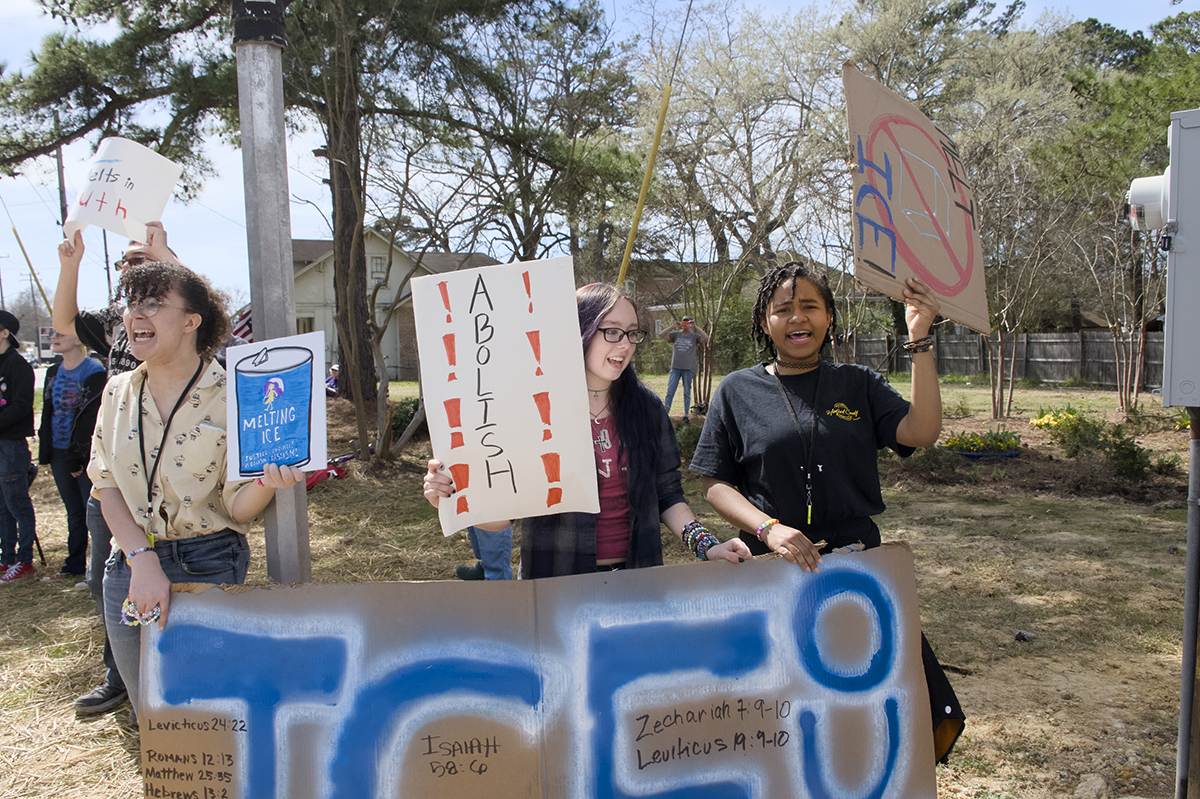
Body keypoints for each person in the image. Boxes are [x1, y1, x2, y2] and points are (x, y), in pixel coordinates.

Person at [690, 261, 963, 762]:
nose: (798, 318)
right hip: (770, 570)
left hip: (856, 568)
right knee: (776, 714)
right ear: (764, 321)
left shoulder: (858, 384)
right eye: (784, 309)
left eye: (810, 306)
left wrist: (919, 338)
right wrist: (768, 529)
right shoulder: (736, 390)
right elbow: (714, 484)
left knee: (866, 707)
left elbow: (921, 431)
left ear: (830, 318)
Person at [88, 259, 304, 717]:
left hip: (208, 560)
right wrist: (141, 560)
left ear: (191, 321)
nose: (135, 315)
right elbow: (105, 485)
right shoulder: (116, 392)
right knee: (149, 709)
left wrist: (269, 480)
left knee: (205, 712)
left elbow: (239, 509)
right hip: (128, 563)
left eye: (152, 303)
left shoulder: (237, 393)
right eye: (131, 304)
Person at [424, 283, 750, 578]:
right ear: (581, 331)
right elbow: (503, 517)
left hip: (638, 582)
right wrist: (454, 498)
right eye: (612, 332)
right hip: (557, 587)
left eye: (632, 333)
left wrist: (707, 545)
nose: (625, 345)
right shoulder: (536, 412)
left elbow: (668, 495)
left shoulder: (648, 409)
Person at [57, 223, 181, 714]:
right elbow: (64, 323)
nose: (129, 269)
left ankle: (165, 690)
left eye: (140, 259)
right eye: (124, 263)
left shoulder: (180, 314)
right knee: (105, 579)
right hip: (112, 473)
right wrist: (72, 263)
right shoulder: (117, 321)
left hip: (167, 474)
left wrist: (163, 252)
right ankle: (123, 678)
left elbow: (211, 314)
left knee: (169, 580)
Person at [37, 331, 106, 581]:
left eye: (60, 334)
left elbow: (89, 418)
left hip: (83, 454)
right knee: (73, 511)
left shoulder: (94, 371)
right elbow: (48, 411)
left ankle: (97, 570)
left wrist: (77, 457)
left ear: (78, 339)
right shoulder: (53, 371)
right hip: (57, 450)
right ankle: (73, 565)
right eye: (52, 334)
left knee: (94, 513)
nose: (54, 338)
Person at [0, 311, 38, 584]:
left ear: (5, 333)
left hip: (11, 446)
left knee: (17, 505)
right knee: (1, 507)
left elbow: (22, 406)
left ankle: (25, 560)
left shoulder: (18, 365)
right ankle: (7, 559)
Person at [659, 315, 708, 421]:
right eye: (684, 322)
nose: (685, 324)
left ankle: (686, 415)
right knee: (670, 391)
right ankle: (665, 413)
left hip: (688, 368)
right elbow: (661, 335)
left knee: (687, 392)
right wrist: (673, 326)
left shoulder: (694, 336)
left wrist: (696, 326)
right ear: (681, 323)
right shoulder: (675, 335)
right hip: (675, 368)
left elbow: (706, 337)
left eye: (687, 322)